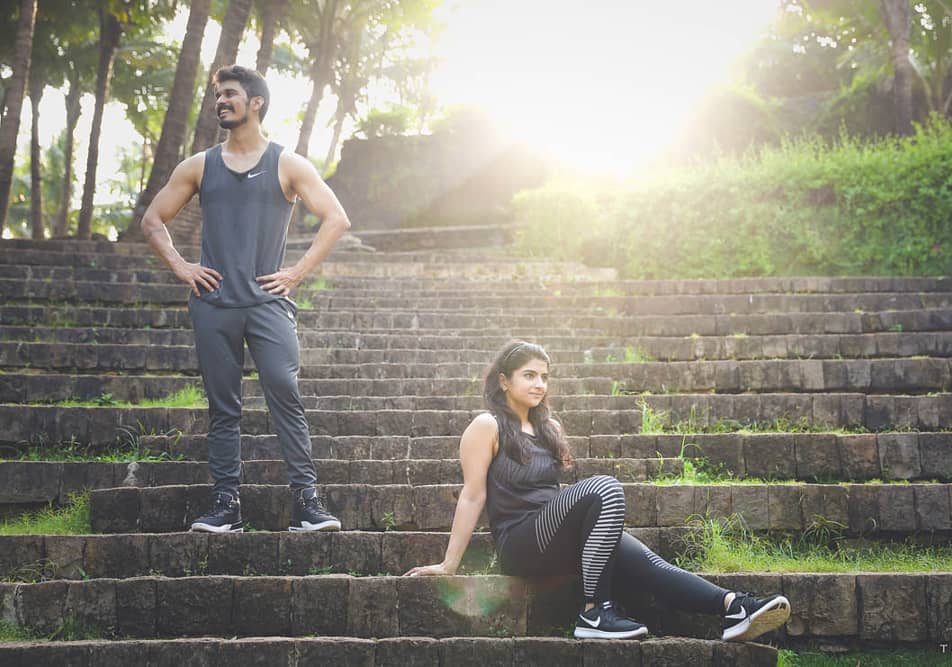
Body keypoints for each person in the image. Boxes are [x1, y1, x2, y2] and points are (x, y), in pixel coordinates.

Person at [406, 341, 791, 641]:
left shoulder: (549, 428)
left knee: (645, 561)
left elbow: (560, 498)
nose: (539, 384)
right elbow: (474, 495)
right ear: (504, 380)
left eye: (544, 376)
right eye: (528, 375)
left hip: (555, 534)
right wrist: (449, 564)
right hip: (520, 542)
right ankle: (594, 611)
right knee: (605, 487)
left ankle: (733, 607)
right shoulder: (486, 425)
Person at [141, 65, 350, 534]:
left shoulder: (287, 164)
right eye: (218, 95)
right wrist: (183, 267)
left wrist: (295, 273)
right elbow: (153, 220)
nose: (221, 101)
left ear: (256, 102)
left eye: (230, 94)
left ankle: (306, 503)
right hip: (213, 304)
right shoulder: (198, 165)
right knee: (223, 407)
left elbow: (336, 219)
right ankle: (226, 505)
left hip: (267, 304)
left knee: (285, 393)